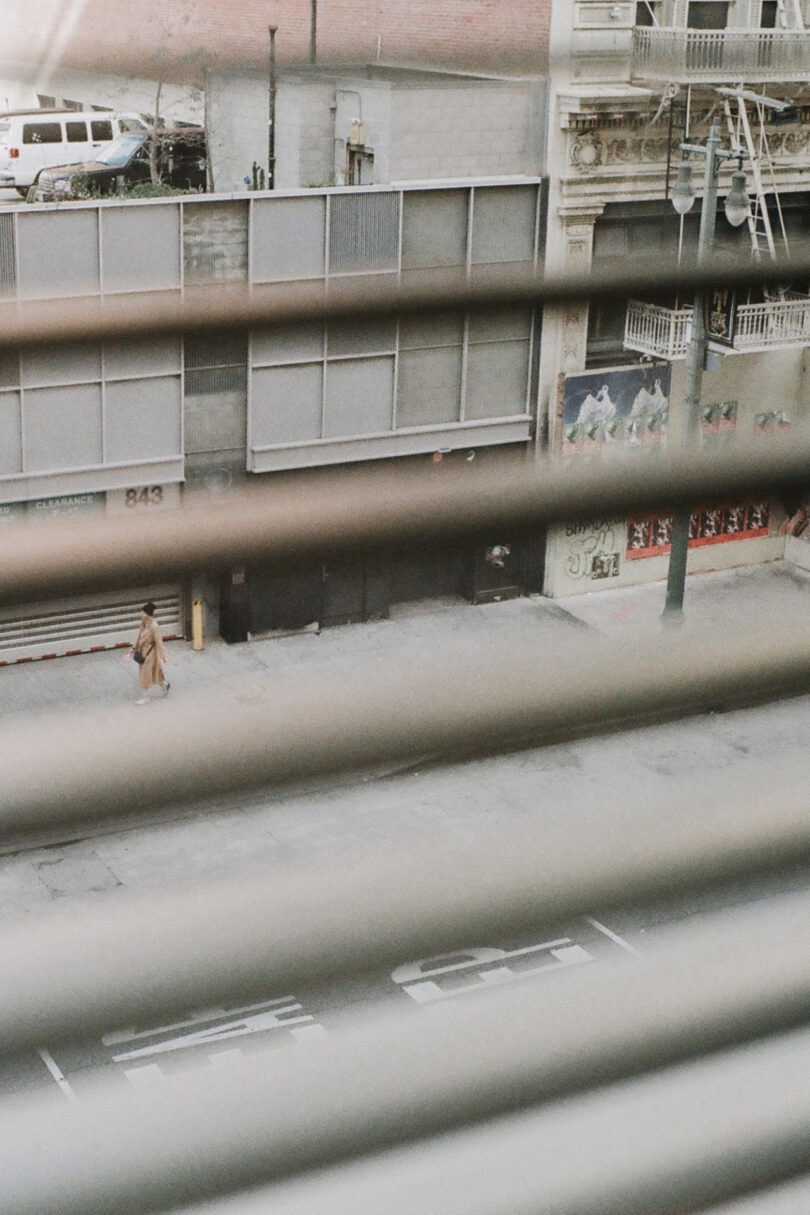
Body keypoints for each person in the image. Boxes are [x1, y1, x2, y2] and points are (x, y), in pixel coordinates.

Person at [131, 601, 170, 705]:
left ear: (147, 614)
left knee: (145, 675)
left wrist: (164, 656)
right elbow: (139, 637)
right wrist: (134, 648)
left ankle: (145, 698)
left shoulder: (154, 626)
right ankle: (165, 685)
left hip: (150, 654)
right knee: (155, 672)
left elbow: (159, 641)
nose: (141, 614)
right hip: (142, 651)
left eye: (143, 612)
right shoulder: (143, 624)